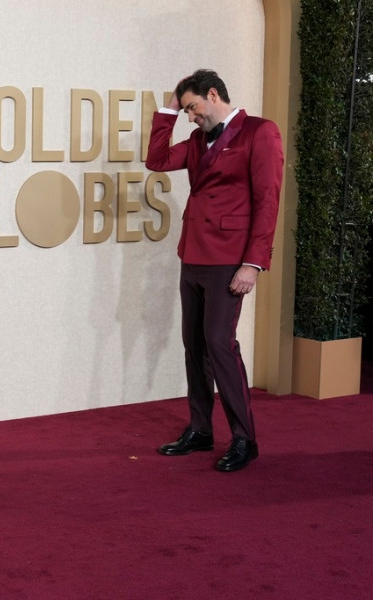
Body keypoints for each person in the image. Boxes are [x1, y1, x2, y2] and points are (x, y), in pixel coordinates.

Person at [146, 69, 283, 472]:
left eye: (191, 107)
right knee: (195, 345)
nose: (190, 116)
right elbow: (155, 160)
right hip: (193, 255)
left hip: (230, 259)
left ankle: (245, 438)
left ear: (212, 94)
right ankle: (201, 430)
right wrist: (167, 110)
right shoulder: (194, 139)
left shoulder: (260, 132)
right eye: (185, 110)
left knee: (221, 345)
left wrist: (253, 264)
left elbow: (268, 200)